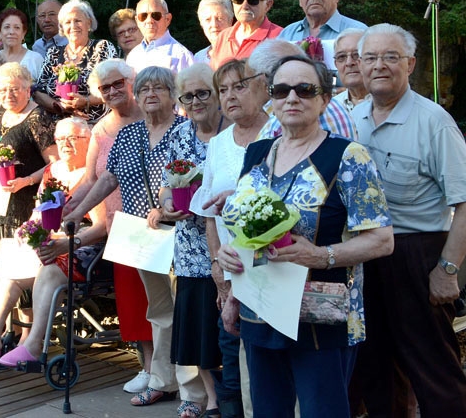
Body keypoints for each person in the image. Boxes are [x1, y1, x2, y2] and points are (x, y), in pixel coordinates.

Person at [217, 55, 393, 418]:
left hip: (318, 316)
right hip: (259, 308)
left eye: (305, 89)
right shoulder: (257, 154)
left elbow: (382, 240)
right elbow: (243, 230)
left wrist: (319, 255)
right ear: (271, 98)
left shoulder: (348, 157)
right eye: (281, 90)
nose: (292, 98)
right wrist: (228, 267)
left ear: (325, 99)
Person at [63, 67, 206, 414]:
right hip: (142, 236)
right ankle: (162, 381)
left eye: (160, 87)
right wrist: (75, 211)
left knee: (183, 313)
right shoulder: (128, 135)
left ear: (174, 95)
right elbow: (107, 179)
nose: (151, 93)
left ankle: (194, 392)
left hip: (181, 235)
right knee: (158, 311)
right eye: (145, 89)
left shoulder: (186, 132)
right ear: (136, 96)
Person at [349, 24, 466, 417]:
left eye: (391, 57)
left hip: (419, 254)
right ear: (359, 66)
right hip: (366, 254)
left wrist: (447, 270)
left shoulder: (435, 123)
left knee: (433, 367)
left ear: (411, 64)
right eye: (370, 58)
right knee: (375, 365)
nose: (379, 66)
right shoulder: (352, 119)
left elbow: (465, 203)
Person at [0, 117, 100, 364]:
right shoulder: (52, 171)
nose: (65, 144)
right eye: (60, 139)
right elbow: (39, 211)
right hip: (49, 238)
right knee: (10, 253)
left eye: (73, 138)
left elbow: (99, 226)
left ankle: (33, 343)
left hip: (80, 242)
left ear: (90, 142)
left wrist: (63, 239)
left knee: (44, 262)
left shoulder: (95, 175)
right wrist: (28, 228)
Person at [67, 59, 152, 392]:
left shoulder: (155, 117)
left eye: (119, 83)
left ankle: (172, 369)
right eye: (106, 88)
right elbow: (92, 179)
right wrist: (66, 206)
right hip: (120, 227)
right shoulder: (102, 129)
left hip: (155, 223)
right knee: (133, 300)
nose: (114, 91)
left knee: (160, 301)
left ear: (132, 82)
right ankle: (146, 368)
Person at [150, 63, 225, 417]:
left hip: (227, 244)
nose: (195, 102)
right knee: (198, 328)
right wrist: (167, 203)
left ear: (218, 93)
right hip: (191, 249)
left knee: (225, 324)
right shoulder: (181, 134)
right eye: (188, 96)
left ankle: (234, 397)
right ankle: (210, 398)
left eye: (202, 93)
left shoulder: (234, 132)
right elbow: (167, 182)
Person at [198, 59, 270, 418]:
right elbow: (210, 211)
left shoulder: (280, 132)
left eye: (238, 86)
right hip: (230, 271)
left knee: (269, 367)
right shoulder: (219, 144)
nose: (230, 96)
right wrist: (217, 267)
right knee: (231, 352)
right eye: (222, 90)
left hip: (274, 268)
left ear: (263, 86)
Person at [0, 63, 58, 306]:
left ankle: (23, 335)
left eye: (15, 89)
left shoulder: (37, 117)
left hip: (23, 209)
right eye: (3, 90)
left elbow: (55, 164)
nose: (8, 95)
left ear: (28, 90)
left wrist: (26, 180)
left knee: (21, 277)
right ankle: (2, 330)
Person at [249, 39, 356, 140]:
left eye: (247, 81)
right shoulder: (337, 107)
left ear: (264, 81)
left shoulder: (280, 124)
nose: (292, 99)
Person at [33, 0, 118, 124]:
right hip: (59, 126)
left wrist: (86, 101)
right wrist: (61, 107)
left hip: (97, 124)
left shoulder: (102, 48)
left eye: (77, 21)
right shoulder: (53, 53)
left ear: (89, 23)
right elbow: (38, 92)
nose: (73, 26)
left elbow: (116, 86)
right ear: (61, 27)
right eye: (67, 22)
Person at [209, 0, 282, 68]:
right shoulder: (223, 36)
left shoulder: (281, 37)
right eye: (238, 0)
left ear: (268, 5)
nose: (244, 6)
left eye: (252, 1)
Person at [126, 0, 195, 74]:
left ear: (168, 19)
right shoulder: (133, 56)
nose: (149, 20)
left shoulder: (182, 56)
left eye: (155, 15)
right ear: (137, 21)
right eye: (143, 16)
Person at [0, 8, 44, 80]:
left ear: (23, 33)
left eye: (17, 27)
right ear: (0, 33)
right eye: (7, 27)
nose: (11, 32)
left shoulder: (35, 59)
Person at [332, 29, 368, 112]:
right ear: (336, 64)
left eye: (356, 55)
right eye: (341, 57)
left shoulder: (388, 102)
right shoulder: (332, 108)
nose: (349, 62)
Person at [194, 0, 234, 65]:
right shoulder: (198, 58)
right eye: (208, 19)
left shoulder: (239, 53)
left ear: (230, 21)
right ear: (201, 24)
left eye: (219, 18)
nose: (214, 25)